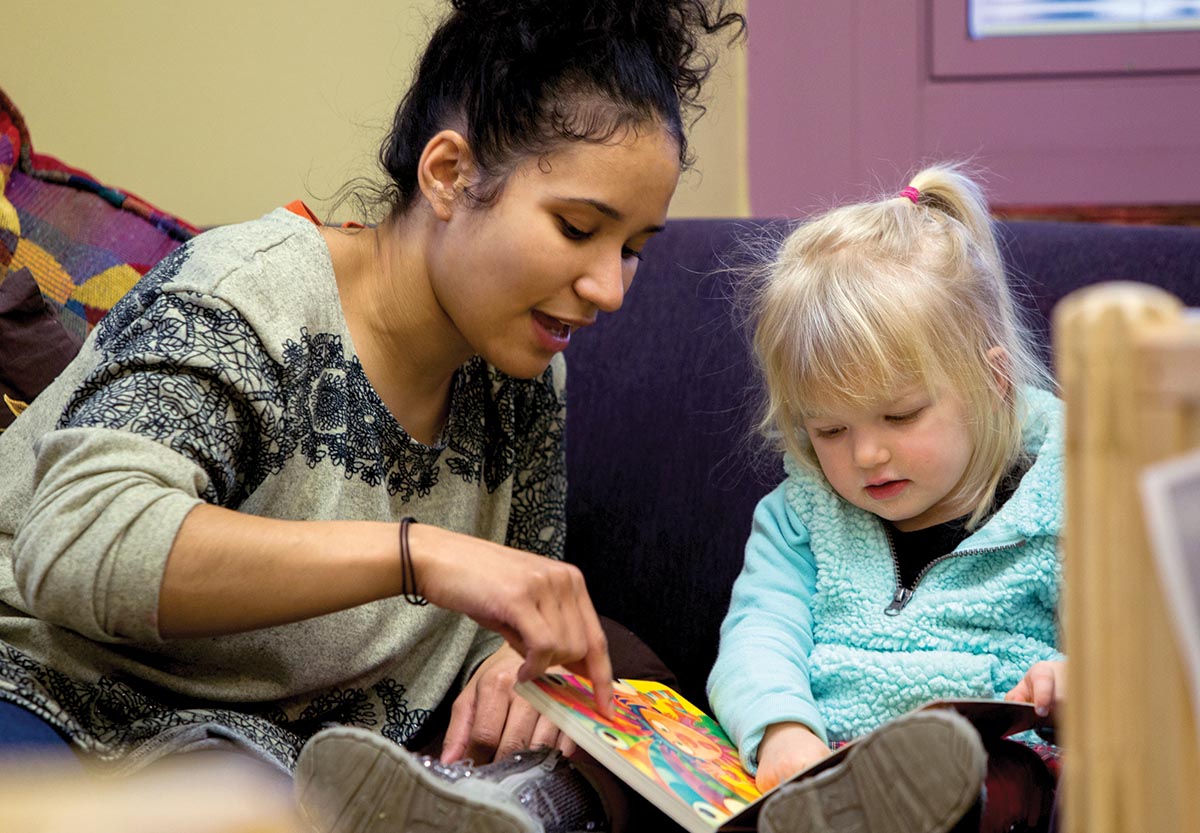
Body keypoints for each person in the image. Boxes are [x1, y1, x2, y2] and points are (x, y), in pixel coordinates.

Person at [0, 0, 743, 831]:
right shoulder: (249, 291)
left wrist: (515, 667)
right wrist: (417, 554)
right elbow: (77, 537)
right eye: (577, 228)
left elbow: (509, 607)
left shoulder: (525, 382)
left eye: (632, 248)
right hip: (44, 695)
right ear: (450, 175)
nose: (609, 289)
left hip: (267, 765)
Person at [707, 164, 1065, 833]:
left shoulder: (1070, 503)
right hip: (829, 766)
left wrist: (1075, 682)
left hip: (996, 766)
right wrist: (782, 729)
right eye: (831, 430)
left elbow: (1137, 650)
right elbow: (759, 634)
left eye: (899, 417)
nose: (866, 455)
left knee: (1004, 781)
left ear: (994, 379)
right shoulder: (802, 515)